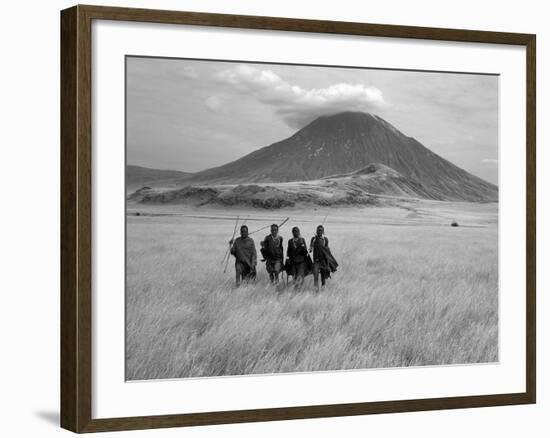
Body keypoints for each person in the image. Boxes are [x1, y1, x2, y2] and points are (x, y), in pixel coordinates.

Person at [309, 225, 338, 292]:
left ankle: (323, 289)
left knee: (323, 277)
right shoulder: (313, 239)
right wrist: (310, 248)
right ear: (316, 231)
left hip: (323, 261)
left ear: (323, 231)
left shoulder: (325, 239)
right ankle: (316, 290)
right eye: (318, 230)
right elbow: (310, 248)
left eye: (321, 230)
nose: (320, 231)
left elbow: (327, 250)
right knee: (315, 276)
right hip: (316, 261)